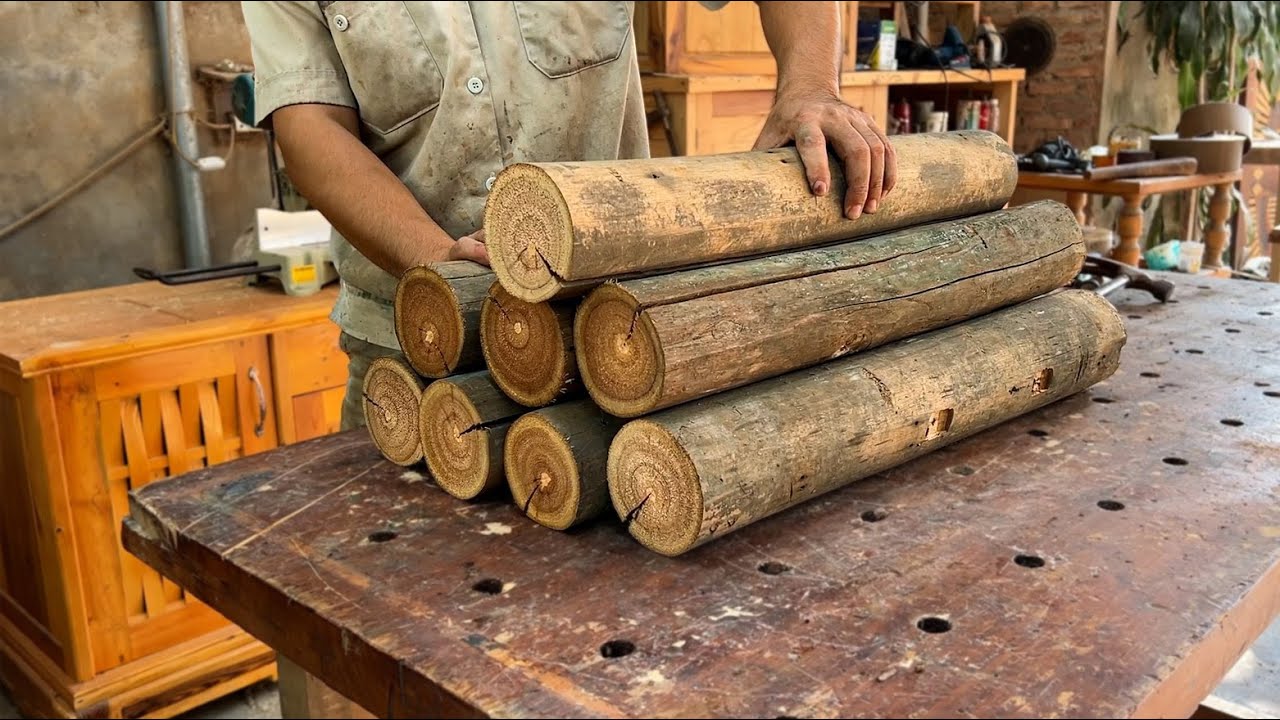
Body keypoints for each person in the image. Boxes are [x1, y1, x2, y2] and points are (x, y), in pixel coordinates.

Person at [242, 1, 897, 430]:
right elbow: (311, 128)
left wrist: (810, 85)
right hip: (412, 352)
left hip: (614, 342)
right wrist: (442, 265)